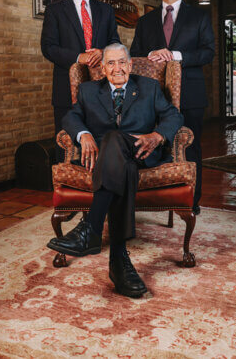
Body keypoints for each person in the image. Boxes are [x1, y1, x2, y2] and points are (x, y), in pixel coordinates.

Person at [47, 43, 183, 298]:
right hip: (109, 161)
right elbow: (70, 118)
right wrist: (84, 135)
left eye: (122, 62)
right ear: (102, 68)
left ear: (130, 65)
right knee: (118, 155)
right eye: (110, 63)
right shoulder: (88, 90)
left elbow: (174, 116)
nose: (117, 68)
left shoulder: (149, 87)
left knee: (115, 139)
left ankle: (91, 228)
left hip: (142, 151)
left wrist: (157, 135)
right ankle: (119, 261)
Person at [130, 0, 215, 214]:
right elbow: (134, 54)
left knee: (190, 146)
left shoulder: (198, 18)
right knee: (156, 144)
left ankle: (192, 200)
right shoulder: (145, 22)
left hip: (191, 94)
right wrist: (151, 54)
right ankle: (158, 197)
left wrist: (175, 55)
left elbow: (208, 52)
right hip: (152, 97)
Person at [41, 0, 120, 161]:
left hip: (101, 88)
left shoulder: (106, 10)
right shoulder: (54, 11)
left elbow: (115, 42)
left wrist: (103, 51)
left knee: (102, 142)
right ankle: (69, 188)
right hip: (65, 89)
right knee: (67, 145)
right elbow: (48, 48)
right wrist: (79, 57)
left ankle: (101, 188)